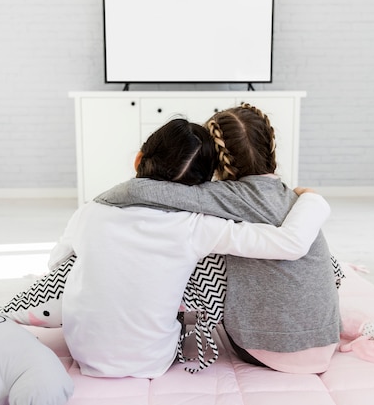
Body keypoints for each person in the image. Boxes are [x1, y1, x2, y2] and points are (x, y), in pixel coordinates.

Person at [48, 118, 332, 378]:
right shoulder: (198, 226)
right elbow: (284, 243)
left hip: (83, 352)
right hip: (152, 360)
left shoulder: (89, 211)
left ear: (138, 160)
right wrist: (312, 199)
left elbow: (56, 265)